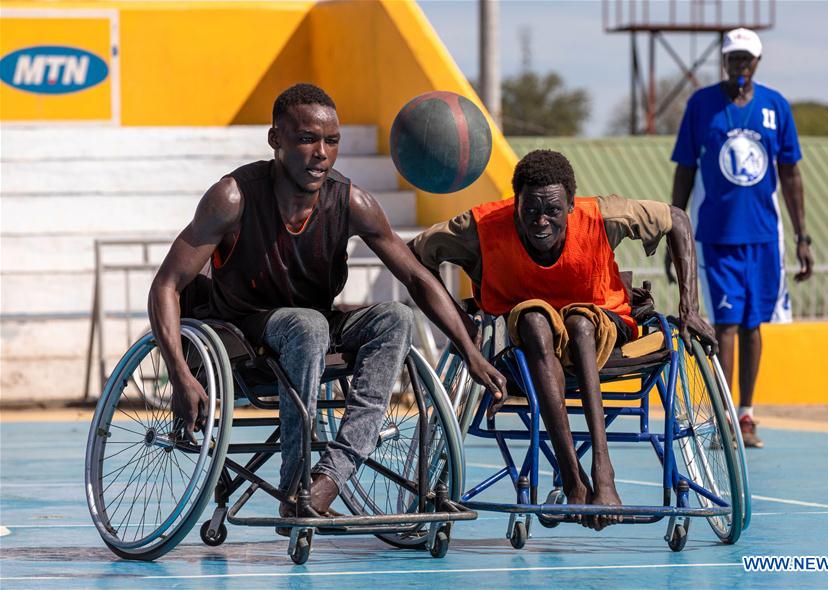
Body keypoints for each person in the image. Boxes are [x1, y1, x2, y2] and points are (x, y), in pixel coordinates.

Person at [148, 83, 507, 526]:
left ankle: (331, 476)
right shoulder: (234, 197)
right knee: (307, 325)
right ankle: (295, 486)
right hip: (241, 333)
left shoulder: (351, 201)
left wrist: (469, 350)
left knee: (394, 317)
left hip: (311, 327)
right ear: (275, 139)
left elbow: (416, 276)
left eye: (331, 141)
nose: (321, 152)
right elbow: (165, 285)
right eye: (306, 139)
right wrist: (180, 376)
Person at [411, 149, 715, 530]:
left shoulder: (604, 215)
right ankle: (573, 478)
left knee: (579, 323)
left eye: (553, 211)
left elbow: (677, 219)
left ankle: (604, 471)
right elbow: (416, 257)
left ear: (571, 205)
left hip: (599, 322)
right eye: (530, 211)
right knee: (537, 319)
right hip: (528, 337)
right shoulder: (482, 225)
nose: (541, 221)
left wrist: (690, 308)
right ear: (514, 204)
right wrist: (463, 331)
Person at [669, 28, 813, 448]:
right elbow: (684, 169)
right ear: (724, 62)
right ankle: (726, 415)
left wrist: (803, 236)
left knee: (753, 325)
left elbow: (790, 173)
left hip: (765, 236)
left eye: (746, 59)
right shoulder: (701, 106)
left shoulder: (775, 106)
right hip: (717, 235)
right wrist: (675, 227)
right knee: (726, 324)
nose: (739, 66)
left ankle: (747, 414)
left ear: (757, 62)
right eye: (732, 58)